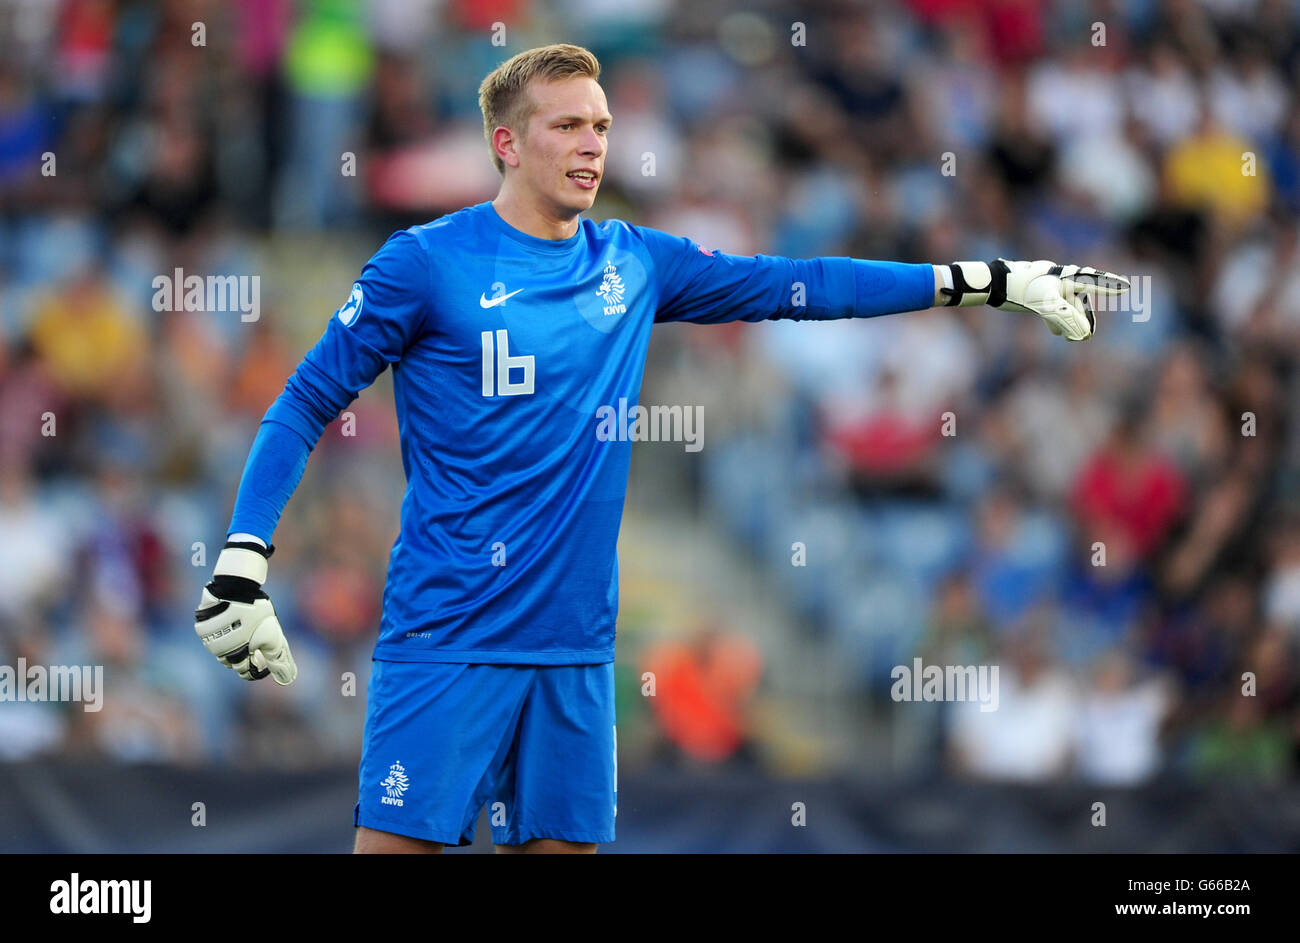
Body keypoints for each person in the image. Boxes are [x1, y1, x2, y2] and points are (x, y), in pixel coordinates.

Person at [193, 43, 1129, 854]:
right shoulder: (427, 262)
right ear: (506, 144)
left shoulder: (634, 262)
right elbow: (305, 398)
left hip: (575, 651)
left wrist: (988, 280)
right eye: (564, 126)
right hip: (446, 638)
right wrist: (243, 559)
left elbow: (802, 283)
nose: (592, 144)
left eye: (599, 125)